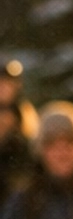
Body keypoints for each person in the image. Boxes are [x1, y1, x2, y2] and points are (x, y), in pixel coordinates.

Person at [0, 63, 38, 200]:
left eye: (7, 83)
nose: (3, 88)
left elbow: (33, 148)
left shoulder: (25, 113)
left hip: (15, 183)